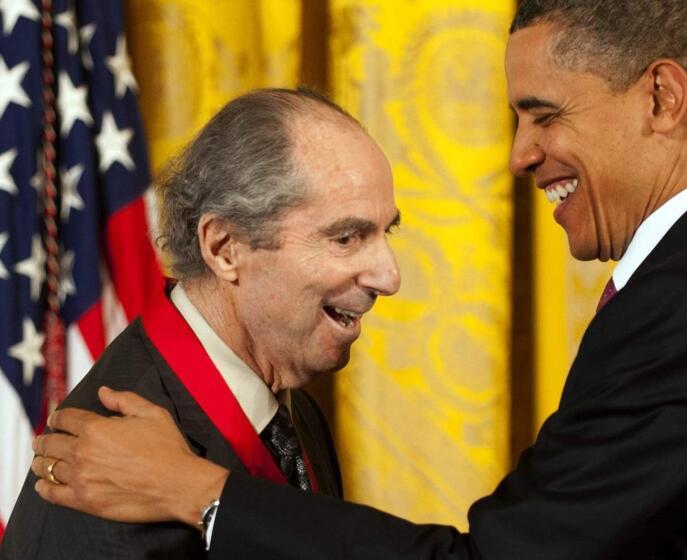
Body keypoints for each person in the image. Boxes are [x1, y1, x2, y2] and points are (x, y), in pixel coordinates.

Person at [21, 0, 687, 558]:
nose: (520, 154)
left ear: (661, 95)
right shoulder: (99, 461)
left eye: (545, 114)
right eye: (347, 234)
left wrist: (203, 495)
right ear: (226, 247)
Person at [0, 88, 401, 558]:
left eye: (386, 231)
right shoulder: (103, 474)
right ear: (224, 247)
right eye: (346, 237)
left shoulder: (297, 415)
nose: (389, 276)